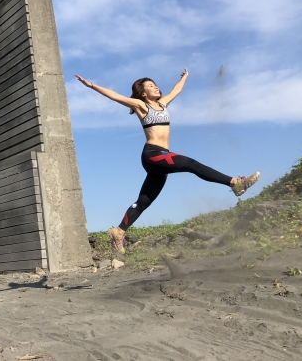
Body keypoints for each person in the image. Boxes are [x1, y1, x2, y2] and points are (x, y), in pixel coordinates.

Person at [75, 69, 260, 255]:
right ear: (143, 93)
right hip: (153, 154)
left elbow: (176, 91)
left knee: (143, 202)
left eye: (155, 84)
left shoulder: (163, 104)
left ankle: (119, 231)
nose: (155, 86)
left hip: (162, 156)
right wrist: (91, 85)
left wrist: (185, 77)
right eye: (150, 86)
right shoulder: (141, 106)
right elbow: (115, 96)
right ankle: (235, 183)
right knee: (191, 164)